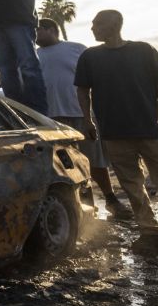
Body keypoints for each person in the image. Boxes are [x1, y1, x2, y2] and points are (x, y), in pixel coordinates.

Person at [74, 10, 158, 260]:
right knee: (132, 185)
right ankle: (150, 232)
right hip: (114, 133)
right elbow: (83, 91)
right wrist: (88, 120)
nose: (92, 28)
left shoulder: (143, 50)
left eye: (97, 24)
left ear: (114, 25)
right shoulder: (90, 57)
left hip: (151, 130)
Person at [35, 18, 131, 221]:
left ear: (52, 30)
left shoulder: (77, 49)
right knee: (65, 166)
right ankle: (84, 206)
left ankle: (111, 199)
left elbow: (96, 79)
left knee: (95, 161)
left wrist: (94, 114)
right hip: (50, 121)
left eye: (38, 30)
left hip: (81, 115)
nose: (34, 35)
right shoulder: (32, 56)